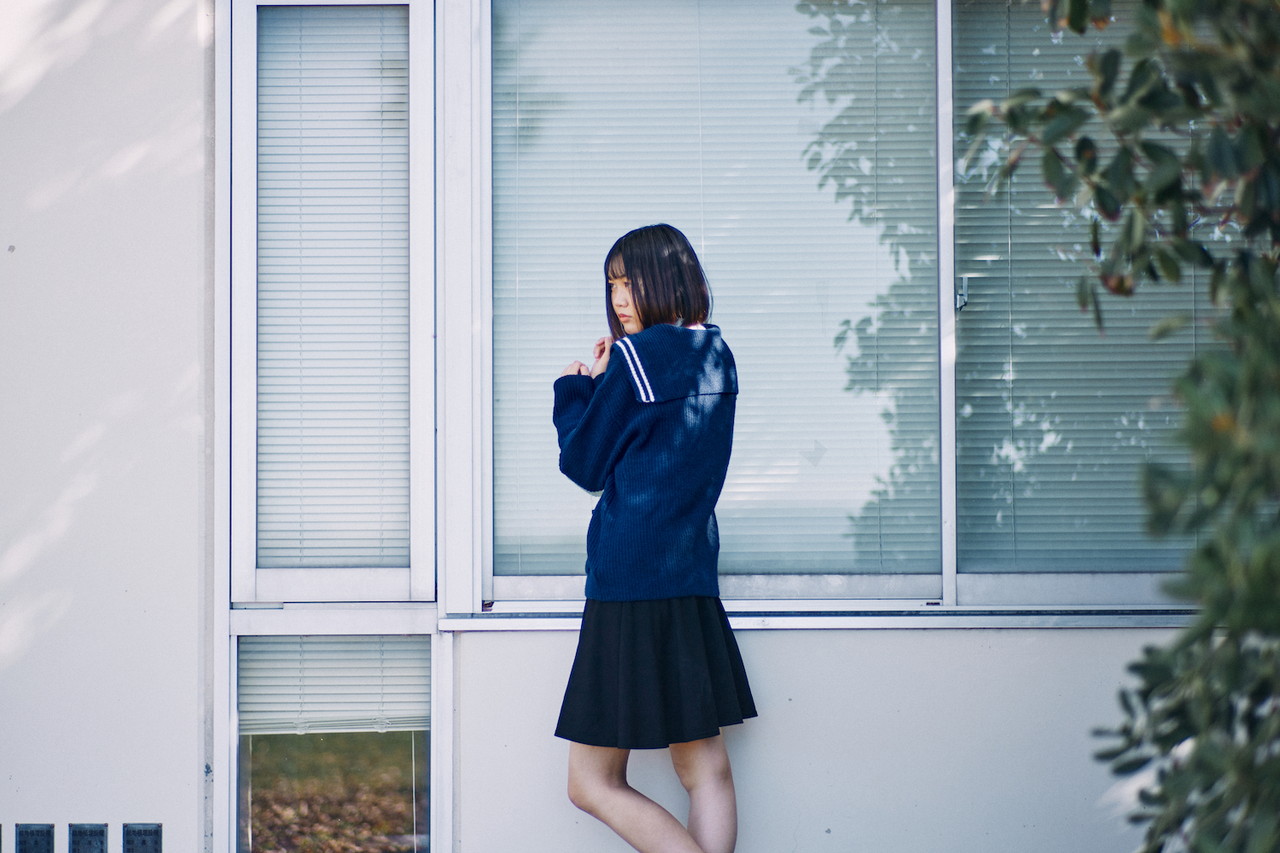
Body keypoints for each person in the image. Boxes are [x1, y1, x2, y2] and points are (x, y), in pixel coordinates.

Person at [552, 223, 756, 853]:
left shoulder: (634, 360)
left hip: (629, 579)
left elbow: (583, 463)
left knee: (591, 783)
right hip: (690, 576)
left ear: (665, 280)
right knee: (706, 770)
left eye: (629, 281)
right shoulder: (716, 352)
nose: (618, 297)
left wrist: (576, 389)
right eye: (612, 283)